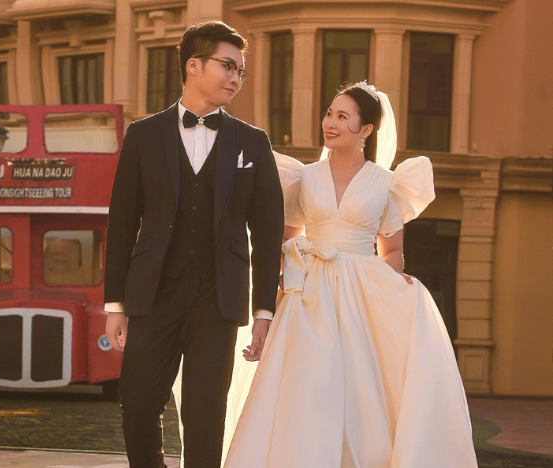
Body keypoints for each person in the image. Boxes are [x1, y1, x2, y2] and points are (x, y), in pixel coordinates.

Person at [223, 82, 478, 467]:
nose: (330, 122)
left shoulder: (386, 183)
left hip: (362, 298)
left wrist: (392, 288)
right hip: (308, 297)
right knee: (307, 390)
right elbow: (286, 241)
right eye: (329, 113)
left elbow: (391, 250)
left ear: (366, 131)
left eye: (343, 116)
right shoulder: (301, 177)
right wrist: (279, 297)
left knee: (360, 394)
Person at [104, 21, 284, 468]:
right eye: (227, 66)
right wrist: (114, 304)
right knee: (140, 405)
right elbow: (123, 222)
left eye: (240, 70)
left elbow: (268, 232)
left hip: (217, 299)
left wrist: (264, 312)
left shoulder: (252, 142)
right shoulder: (143, 135)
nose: (235, 78)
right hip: (152, 294)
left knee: (206, 417)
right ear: (193, 65)